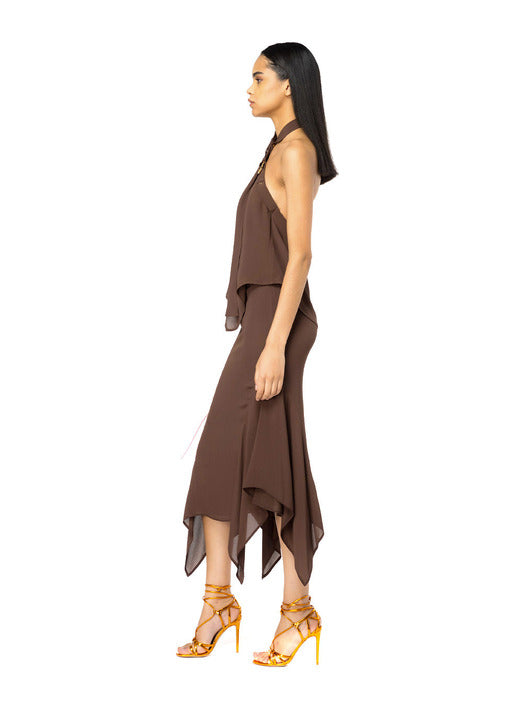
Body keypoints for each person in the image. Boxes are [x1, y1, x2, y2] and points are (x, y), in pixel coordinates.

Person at [177, 42, 338, 667]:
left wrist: (273, 345)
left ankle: (291, 611)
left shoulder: (296, 151)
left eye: (258, 76)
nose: (248, 88)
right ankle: (227, 600)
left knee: (272, 458)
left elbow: (300, 255)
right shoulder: (275, 149)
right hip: (266, 321)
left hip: (279, 322)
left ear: (288, 84)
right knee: (238, 454)